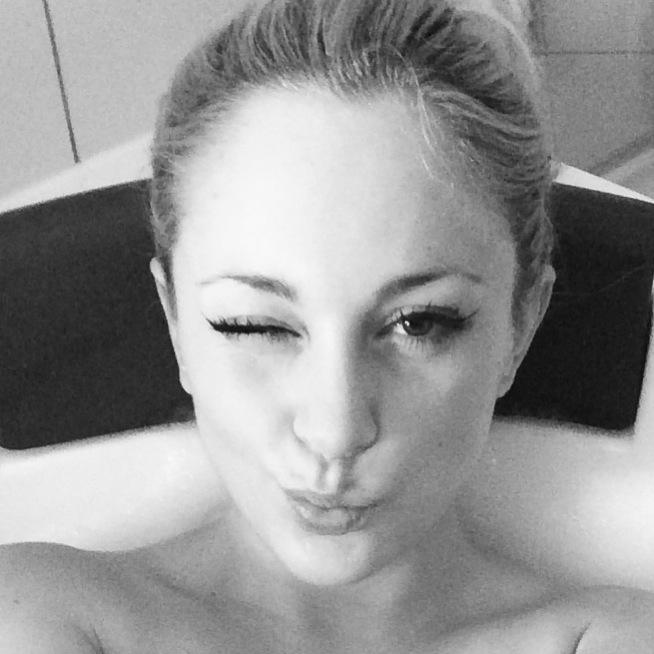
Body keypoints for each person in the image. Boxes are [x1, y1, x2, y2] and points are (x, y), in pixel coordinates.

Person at [1, 0, 654, 651]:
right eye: (253, 325)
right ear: (176, 322)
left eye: (419, 323)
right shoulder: (42, 615)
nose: (335, 432)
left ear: (521, 323)